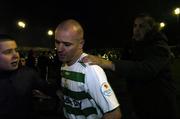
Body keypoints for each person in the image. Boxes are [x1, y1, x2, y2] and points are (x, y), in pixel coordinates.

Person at [82, 13, 178, 119]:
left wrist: (109, 63)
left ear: (151, 28)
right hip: (139, 100)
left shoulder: (159, 46)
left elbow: (146, 69)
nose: (137, 29)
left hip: (160, 101)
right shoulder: (132, 45)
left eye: (141, 26)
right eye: (135, 25)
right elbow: (123, 69)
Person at [54, 19, 121, 119]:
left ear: (81, 44)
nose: (59, 49)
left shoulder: (90, 71)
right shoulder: (64, 64)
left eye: (67, 44)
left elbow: (114, 114)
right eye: (57, 42)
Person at [0, 34, 56, 119]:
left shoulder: (28, 73)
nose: (16, 55)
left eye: (16, 50)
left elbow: (49, 89)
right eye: (8, 52)